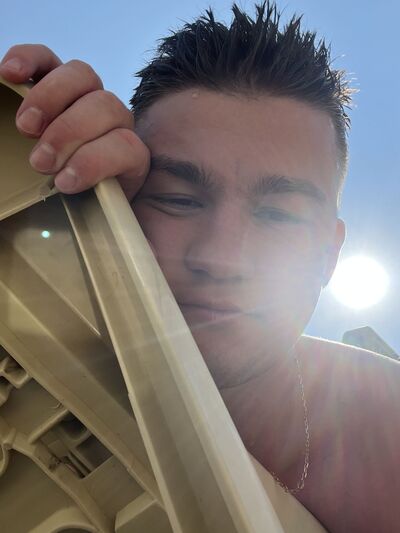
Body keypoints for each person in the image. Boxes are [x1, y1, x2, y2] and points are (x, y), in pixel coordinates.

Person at [1, 3, 399, 531]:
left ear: (329, 255)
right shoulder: (27, 350)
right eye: (177, 199)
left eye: (279, 215)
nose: (222, 257)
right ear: (125, 204)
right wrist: (47, 189)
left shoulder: (387, 430)